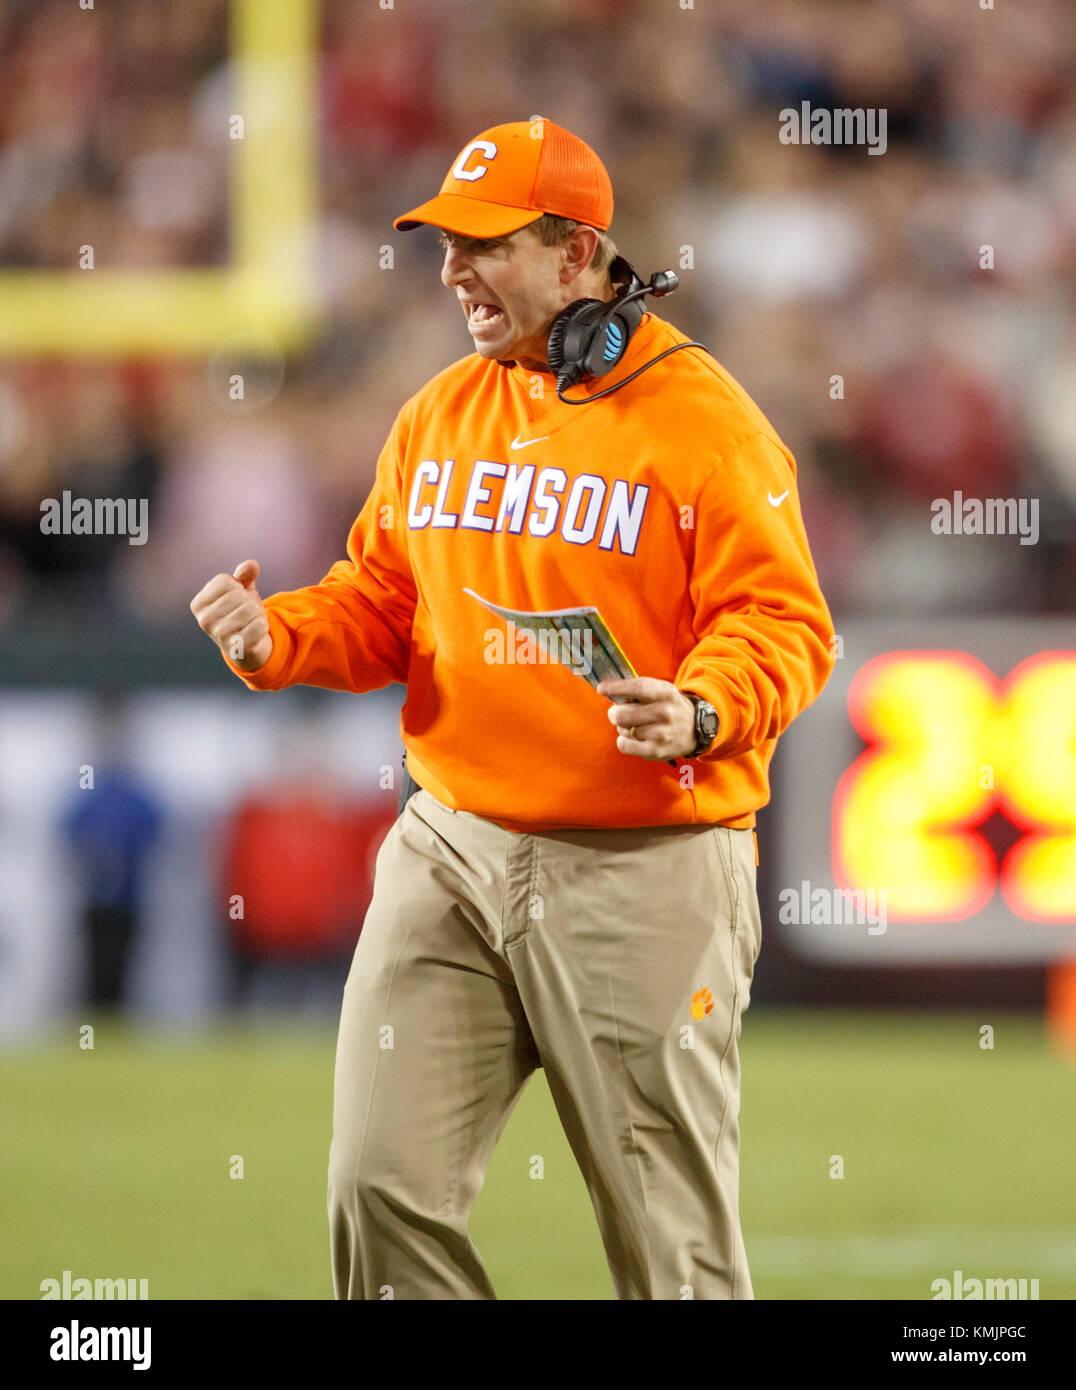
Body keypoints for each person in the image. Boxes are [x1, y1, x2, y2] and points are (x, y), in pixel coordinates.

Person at [190, 118, 835, 1300]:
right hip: (449, 845)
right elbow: (382, 602)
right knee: (376, 1190)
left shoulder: (703, 421)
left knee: (669, 1250)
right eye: (444, 244)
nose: (452, 272)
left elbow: (787, 625)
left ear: (578, 254)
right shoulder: (440, 412)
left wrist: (703, 708)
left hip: (643, 862)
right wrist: (276, 634)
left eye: (483, 244)